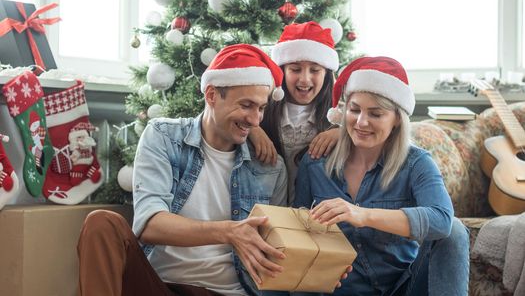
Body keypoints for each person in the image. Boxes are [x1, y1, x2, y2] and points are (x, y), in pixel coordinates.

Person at [77, 44, 290, 296]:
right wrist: (229, 232)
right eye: (246, 105)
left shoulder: (270, 167)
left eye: (261, 108)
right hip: (158, 286)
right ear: (211, 95)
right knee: (102, 223)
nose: (255, 120)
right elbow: (149, 225)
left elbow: (280, 250)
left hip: (228, 292)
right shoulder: (164, 137)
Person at [293, 56, 470, 295]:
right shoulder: (315, 164)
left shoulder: (416, 163)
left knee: (455, 232)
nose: (361, 122)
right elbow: (298, 233)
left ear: (397, 118)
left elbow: (441, 221)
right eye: (354, 110)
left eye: (375, 114)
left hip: (403, 288)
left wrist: (363, 214)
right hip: (340, 290)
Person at [250, 21, 340, 204]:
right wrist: (253, 129)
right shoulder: (261, 108)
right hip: (266, 205)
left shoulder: (338, 116)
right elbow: (226, 115)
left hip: (313, 212)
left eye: (315, 70)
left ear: (326, 73)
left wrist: (342, 133)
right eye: (295, 69)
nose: (305, 79)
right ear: (282, 70)